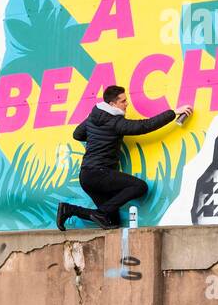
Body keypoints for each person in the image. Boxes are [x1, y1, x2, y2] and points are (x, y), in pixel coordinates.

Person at [57, 86, 192, 230]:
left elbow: (77, 134)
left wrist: (97, 135)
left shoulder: (93, 116)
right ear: (112, 104)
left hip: (86, 176)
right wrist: (173, 113)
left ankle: (69, 210)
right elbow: (144, 126)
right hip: (99, 173)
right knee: (139, 187)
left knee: (112, 222)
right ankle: (96, 213)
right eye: (123, 101)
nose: (127, 103)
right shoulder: (116, 122)